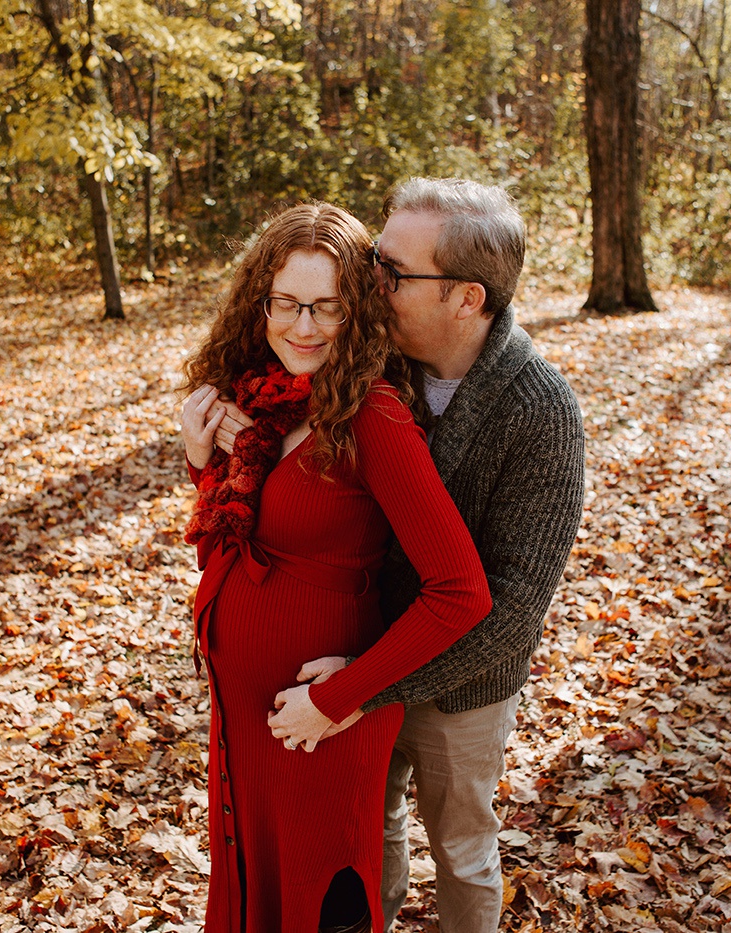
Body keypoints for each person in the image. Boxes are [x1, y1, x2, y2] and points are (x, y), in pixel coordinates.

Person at [242, 179, 584, 933]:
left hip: (460, 683)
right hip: (359, 653)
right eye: (374, 260)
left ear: (466, 297)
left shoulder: (540, 409)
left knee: (461, 848)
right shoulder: (375, 363)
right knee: (370, 834)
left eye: (391, 272)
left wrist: (372, 687)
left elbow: (513, 606)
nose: (369, 282)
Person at [179, 202, 492, 933]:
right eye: (287, 302)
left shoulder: (371, 415)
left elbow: (462, 591)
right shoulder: (271, 402)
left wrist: (340, 696)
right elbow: (237, 541)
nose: (306, 326)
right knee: (260, 891)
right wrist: (202, 462)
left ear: (358, 309)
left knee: (323, 906)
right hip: (248, 724)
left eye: (328, 306)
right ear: (261, 300)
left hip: (317, 728)